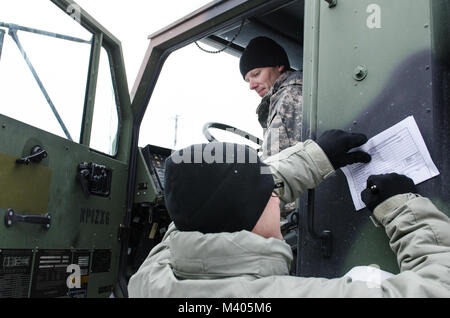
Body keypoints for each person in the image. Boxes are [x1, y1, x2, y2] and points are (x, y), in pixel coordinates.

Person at [127, 130, 450, 297]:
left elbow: (205, 205)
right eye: (271, 193)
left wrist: (314, 158)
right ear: (249, 215)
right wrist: (403, 209)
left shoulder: (150, 279)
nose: (278, 200)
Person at [239, 36, 303, 160]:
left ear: (278, 65)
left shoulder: (290, 95)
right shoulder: (279, 99)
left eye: (256, 74)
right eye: (248, 81)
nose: (252, 86)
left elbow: (277, 164)